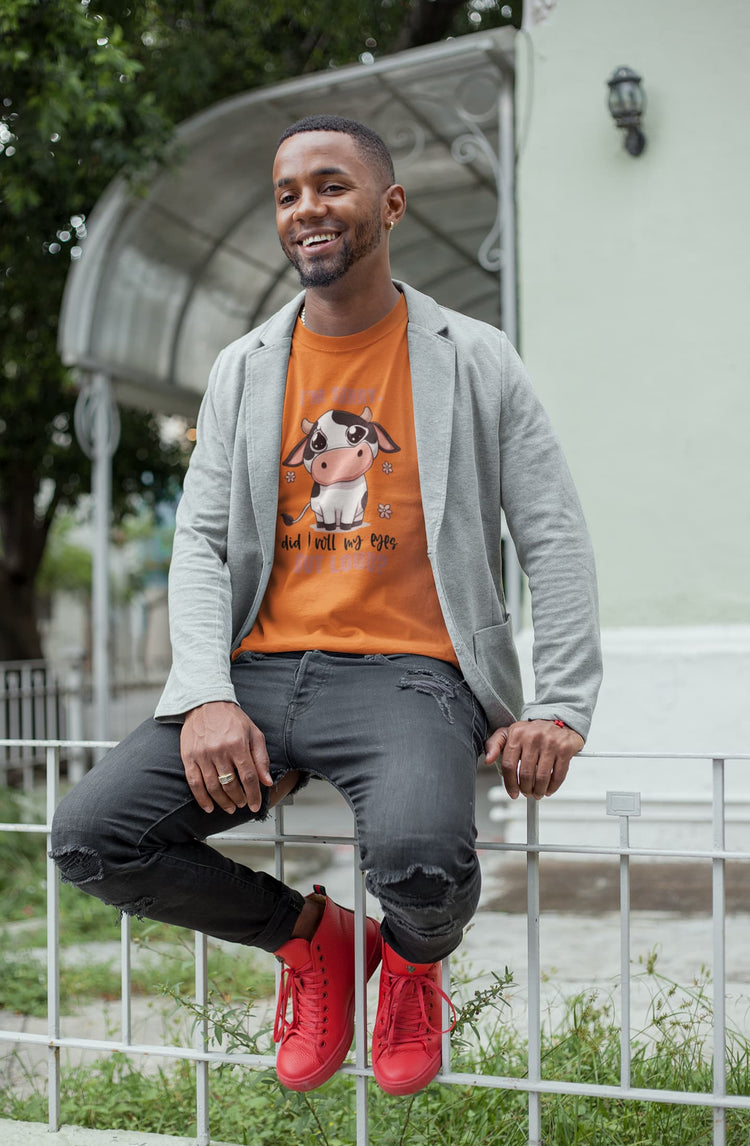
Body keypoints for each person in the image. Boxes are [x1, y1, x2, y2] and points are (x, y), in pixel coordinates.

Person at [51, 114, 602, 1097]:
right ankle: (319, 943)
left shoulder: (476, 359)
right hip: (259, 672)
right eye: (288, 191)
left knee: (425, 865)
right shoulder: (245, 368)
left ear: (389, 204)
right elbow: (204, 541)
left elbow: (552, 533)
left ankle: (412, 964)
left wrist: (561, 704)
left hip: (411, 675)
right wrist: (205, 691)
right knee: (92, 838)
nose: (307, 206)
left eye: (332, 184)